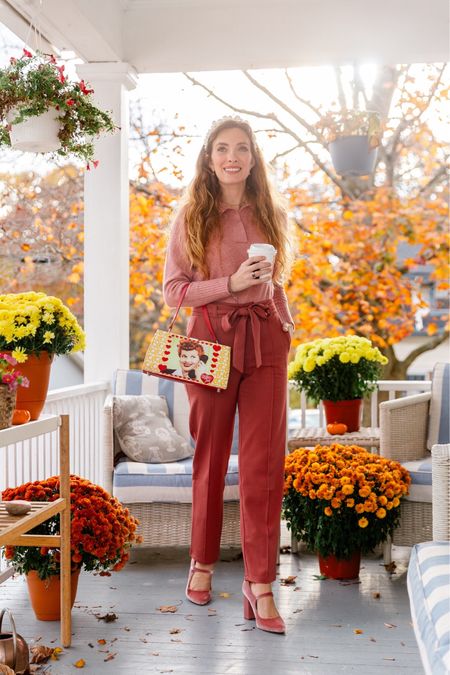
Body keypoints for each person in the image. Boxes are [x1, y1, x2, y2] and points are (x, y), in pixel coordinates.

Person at [163, 116, 294, 634]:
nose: (233, 156)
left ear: (254, 157)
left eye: (242, 147)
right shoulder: (191, 215)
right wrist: (229, 282)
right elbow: (174, 291)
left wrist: (281, 315)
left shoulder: (271, 213)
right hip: (205, 343)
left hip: (266, 342)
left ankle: (260, 583)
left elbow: (275, 281)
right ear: (209, 156)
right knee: (210, 458)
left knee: (264, 466)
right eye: (223, 148)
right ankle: (202, 561)